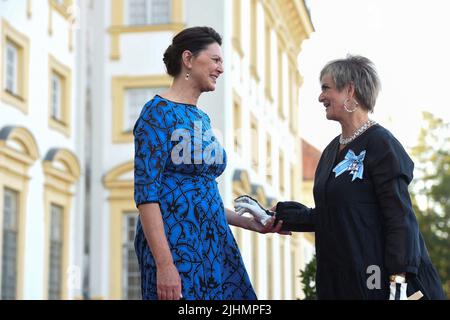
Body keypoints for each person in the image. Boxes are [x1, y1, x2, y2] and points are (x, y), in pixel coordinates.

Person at [235, 55, 446, 300]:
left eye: (326, 88)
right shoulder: (330, 152)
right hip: (339, 280)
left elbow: (399, 216)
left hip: (376, 279)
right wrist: (276, 216)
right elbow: (330, 214)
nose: (320, 97)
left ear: (349, 91)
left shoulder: (381, 144)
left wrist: (398, 282)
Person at [133, 26, 266, 300]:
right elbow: (146, 196)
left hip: (214, 244)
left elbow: (204, 194)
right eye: (215, 60)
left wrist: (250, 223)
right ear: (188, 59)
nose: (220, 68)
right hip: (176, 247)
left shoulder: (202, 119)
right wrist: (165, 265)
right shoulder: (156, 113)